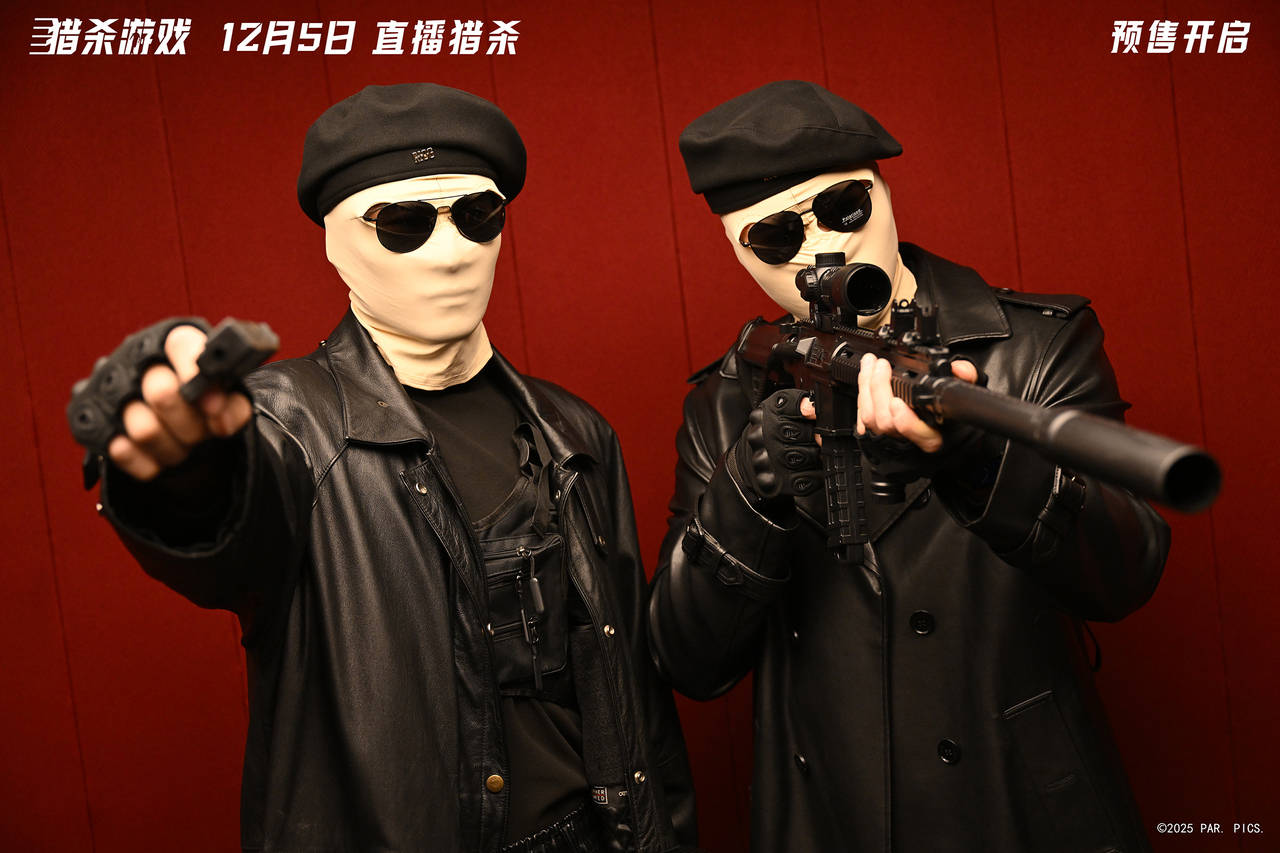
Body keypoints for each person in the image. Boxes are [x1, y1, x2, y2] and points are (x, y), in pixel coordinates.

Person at [75, 83, 696, 853]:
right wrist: (183, 468)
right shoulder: (283, 426)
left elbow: (637, 698)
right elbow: (224, 518)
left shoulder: (576, 432)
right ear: (336, 243)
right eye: (404, 223)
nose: (452, 252)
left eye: (479, 215)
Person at [647, 80, 1169, 852]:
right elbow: (687, 660)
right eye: (777, 236)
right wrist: (748, 496)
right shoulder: (725, 400)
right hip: (830, 818)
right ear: (738, 252)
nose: (824, 248)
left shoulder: (1034, 348)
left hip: (1015, 807)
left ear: (885, 192)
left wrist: (982, 463)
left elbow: (1126, 569)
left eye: (844, 207)